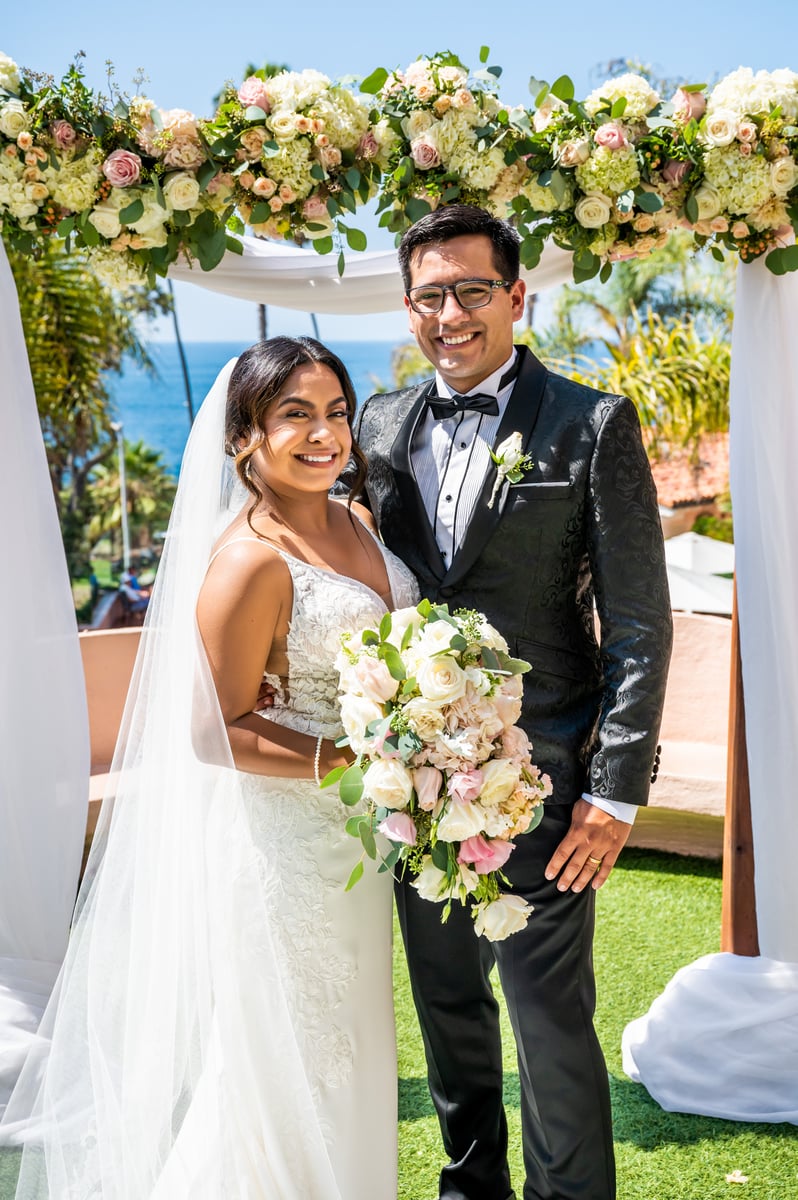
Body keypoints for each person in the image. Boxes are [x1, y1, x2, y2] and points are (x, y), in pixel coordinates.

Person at [3, 337, 417, 1199]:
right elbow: (212, 730)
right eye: (295, 415)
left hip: (358, 845)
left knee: (351, 1048)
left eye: (336, 412)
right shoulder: (248, 561)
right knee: (283, 1069)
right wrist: (357, 758)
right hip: (286, 856)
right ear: (243, 438)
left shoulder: (357, 518)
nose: (325, 434)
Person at [355, 205, 673, 1200]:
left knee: (549, 1024)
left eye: (472, 291)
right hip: (413, 786)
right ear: (408, 307)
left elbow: (638, 624)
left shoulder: (591, 423)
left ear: (516, 295)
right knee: (448, 1013)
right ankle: (470, 1190)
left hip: (548, 784)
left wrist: (614, 794)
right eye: (429, 296)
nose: (450, 314)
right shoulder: (378, 425)